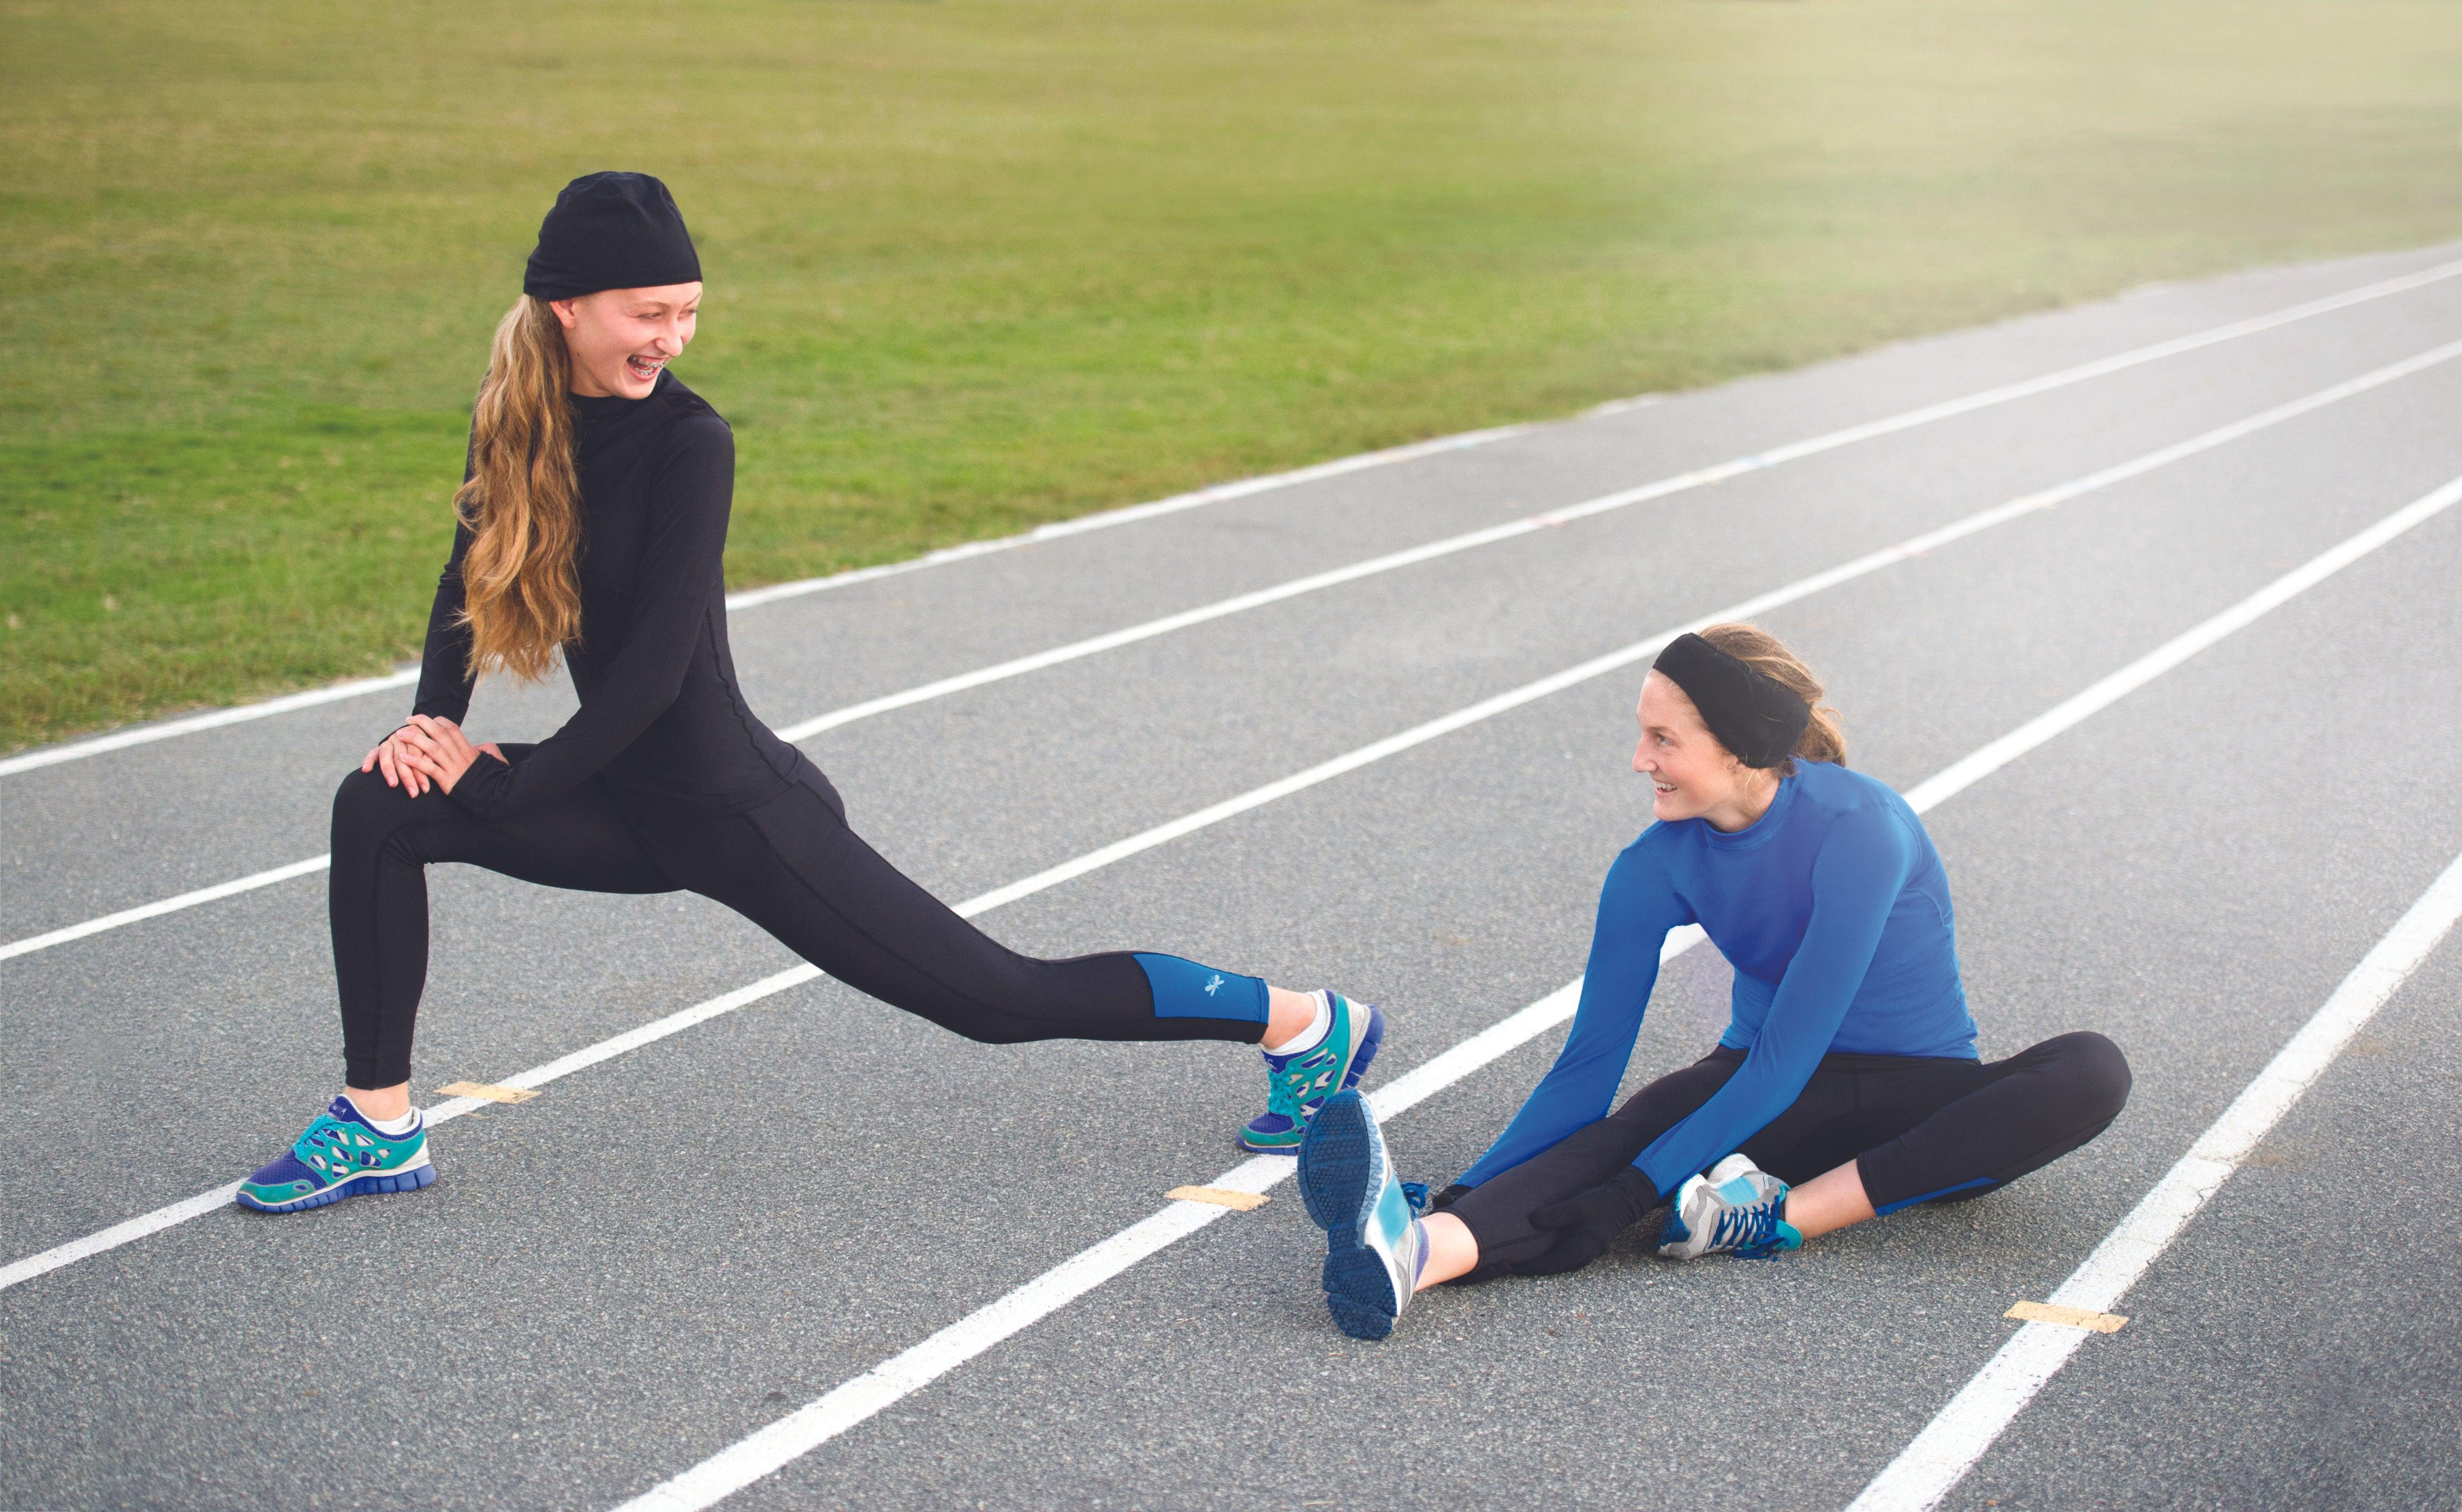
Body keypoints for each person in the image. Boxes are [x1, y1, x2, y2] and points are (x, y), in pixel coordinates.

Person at [237, 172, 1382, 1214]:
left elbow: (649, 678)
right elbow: (464, 580)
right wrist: (436, 728)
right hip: (617, 799)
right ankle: (380, 1123)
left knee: (998, 1000)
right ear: (565, 309)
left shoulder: (693, 443)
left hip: (734, 812)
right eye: (649, 313)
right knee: (378, 803)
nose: (671, 338)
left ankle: (1304, 1023)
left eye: (687, 311)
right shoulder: (517, 419)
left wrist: (497, 791)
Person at [1296, 623, 2130, 1340]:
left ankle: (1767, 1220)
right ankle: (1417, 1249)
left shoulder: (1861, 829)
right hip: (1757, 1079)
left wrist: (1629, 1199)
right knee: (1623, 1133)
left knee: (2090, 1069)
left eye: (1663, 740)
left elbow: (1788, 1062)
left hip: (1914, 1101)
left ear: (1739, 748)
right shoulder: (1650, 867)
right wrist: (1473, 1185)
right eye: (1641, 735)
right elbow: (1586, 1070)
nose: (1637, 760)